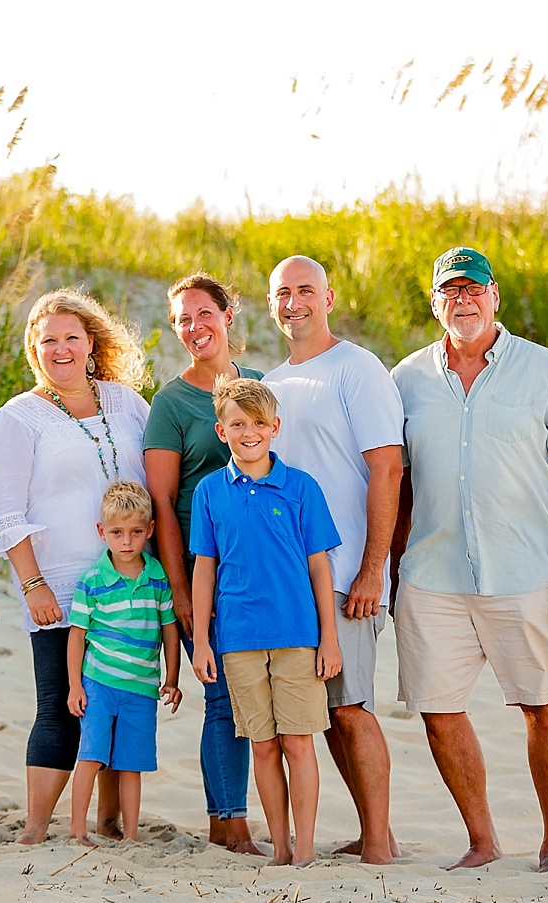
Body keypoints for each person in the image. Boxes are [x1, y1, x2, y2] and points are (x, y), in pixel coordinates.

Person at [389, 246, 548, 871]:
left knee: (544, 707)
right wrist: (389, 566)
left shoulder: (543, 371)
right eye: (450, 291)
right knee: (437, 710)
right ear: (435, 304)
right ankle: (482, 841)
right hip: (431, 577)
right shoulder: (406, 380)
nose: (463, 300)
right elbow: (396, 484)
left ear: (495, 298)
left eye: (473, 289)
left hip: (526, 574)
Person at [0, 287, 151, 845]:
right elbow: (7, 512)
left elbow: (156, 478)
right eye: (47, 340)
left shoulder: (127, 403)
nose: (60, 349)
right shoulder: (18, 418)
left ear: (91, 343)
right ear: (34, 349)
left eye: (70, 338)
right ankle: (35, 827)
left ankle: (108, 824)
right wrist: (31, 583)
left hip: (128, 581)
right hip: (58, 582)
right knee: (60, 701)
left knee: (114, 703)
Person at [261, 255, 403, 866]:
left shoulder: (356, 367)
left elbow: (387, 467)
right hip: (291, 580)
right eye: (283, 293)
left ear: (329, 297)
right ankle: (379, 834)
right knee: (324, 714)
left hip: (347, 577)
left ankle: (378, 845)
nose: (295, 302)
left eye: (306, 291)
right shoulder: (269, 382)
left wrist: (373, 569)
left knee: (352, 707)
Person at [191, 377, 342, 866]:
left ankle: (304, 850)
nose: (249, 432)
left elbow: (320, 566)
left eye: (258, 423)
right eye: (238, 424)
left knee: (298, 742)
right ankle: (279, 848)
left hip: (298, 635)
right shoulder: (210, 492)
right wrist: (200, 642)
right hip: (237, 638)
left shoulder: (301, 487)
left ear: (275, 427)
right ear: (222, 430)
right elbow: (204, 568)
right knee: (262, 746)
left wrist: (330, 640)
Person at [143, 272, 264, 855]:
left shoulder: (261, 386)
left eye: (203, 314)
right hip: (200, 569)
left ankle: (233, 818)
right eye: (182, 320)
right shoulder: (171, 403)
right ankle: (229, 822)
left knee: (253, 695)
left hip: (259, 570)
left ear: (227, 315)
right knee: (222, 695)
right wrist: (182, 593)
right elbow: (162, 505)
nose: (194, 328)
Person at [66, 481, 183, 844]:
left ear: (149, 530)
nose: (127, 542)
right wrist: (74, 685)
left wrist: (173, 677)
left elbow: (169, 630)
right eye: (117, 533)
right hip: (99, 684)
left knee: (132, 764)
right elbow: (77, 636)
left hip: (143, 688)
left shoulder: (157, 578)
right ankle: (76, 830)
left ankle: (131, 836)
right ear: (102, 533)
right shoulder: (92, 581)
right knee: (91, 756)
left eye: (135, 532)